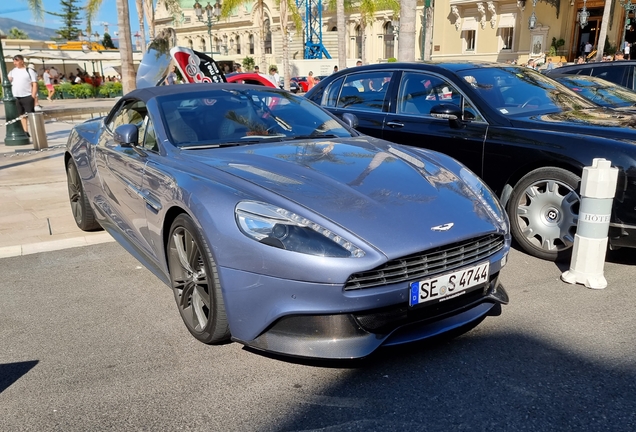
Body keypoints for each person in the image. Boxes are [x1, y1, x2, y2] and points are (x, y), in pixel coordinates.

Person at [7, 55, 38, 137]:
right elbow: (8, 79)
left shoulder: (29, 71)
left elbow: (34, 83)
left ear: (22, 61)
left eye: (16, 61)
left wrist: (33, 96)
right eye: (14, 61)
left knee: (31, 115)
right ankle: (25, 131)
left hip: (27, 95)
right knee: (21, 115)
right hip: (16, 96)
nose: (15, 63)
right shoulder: (13, 71)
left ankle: (36, 131)